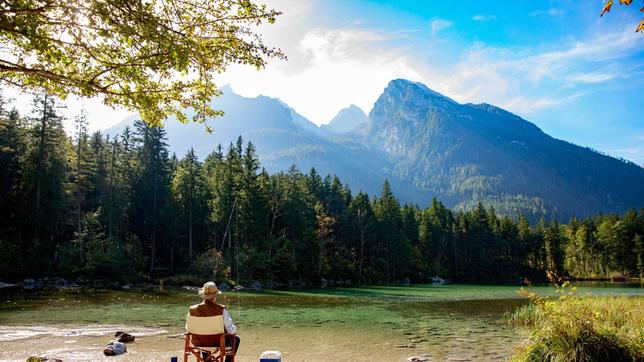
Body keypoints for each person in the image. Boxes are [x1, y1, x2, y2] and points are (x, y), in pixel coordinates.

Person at [188, 281, 240, 362]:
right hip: (218, 343)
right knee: (236, 339)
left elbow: (188, 328)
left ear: (203, 296)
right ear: (215, 296)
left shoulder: (192, 309)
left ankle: (207, 360)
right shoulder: (221, 309)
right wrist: (233, 331)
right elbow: (231, 330)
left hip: (198, 343)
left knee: (203, 337)